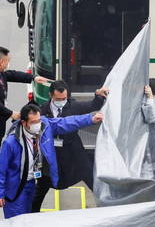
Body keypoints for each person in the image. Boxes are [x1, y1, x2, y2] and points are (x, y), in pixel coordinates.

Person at [0, 104, 103, 218]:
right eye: (33, 122)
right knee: (16, 219)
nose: (37, 124)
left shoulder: (45, 126)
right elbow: (0, 169)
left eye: (39, 120)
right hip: (16, 187)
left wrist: (90, 118)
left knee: (29, 216)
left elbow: (66, 122)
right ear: (23, 123)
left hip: (31, 183)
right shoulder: (11, 143)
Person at [0, 46, 49, 203]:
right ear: (1, 61)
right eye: (8, 61)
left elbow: (11, 75)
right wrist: (11, 113)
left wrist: (33, 78)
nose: (8, 64)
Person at [31, 80, 108, 212]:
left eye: (64, 98)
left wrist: (98, 94)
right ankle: (32, 213)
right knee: (43, 184)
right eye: (58, 99)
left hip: (73, 148)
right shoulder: (42, 110)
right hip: (52, 151)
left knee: (89, 175)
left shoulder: (74, 106)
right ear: (51, 96)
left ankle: (106, 206)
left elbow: (92, 105)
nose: (62, 101)